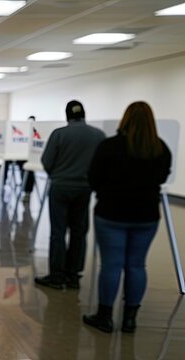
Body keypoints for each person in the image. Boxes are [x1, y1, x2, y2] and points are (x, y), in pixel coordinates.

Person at [82, 101, 171, 333]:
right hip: (147, 216)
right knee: (136, 265)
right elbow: (162, 177)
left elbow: (93, 178)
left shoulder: (109, 146)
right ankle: (130, 319)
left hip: (111, 214)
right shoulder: (160, 148)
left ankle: (105, 317)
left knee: (111, 265)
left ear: (125, 120)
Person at [35, 100, 105, 289]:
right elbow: (102, 164)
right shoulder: (98, 135)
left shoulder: (59, 134)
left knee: (58, 232)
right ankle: (73, 275)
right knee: (79, 232)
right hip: (84, 189)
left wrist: (57, 175)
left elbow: (47, 161)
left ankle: (57, 276)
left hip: (60, 188)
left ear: (67, 115)